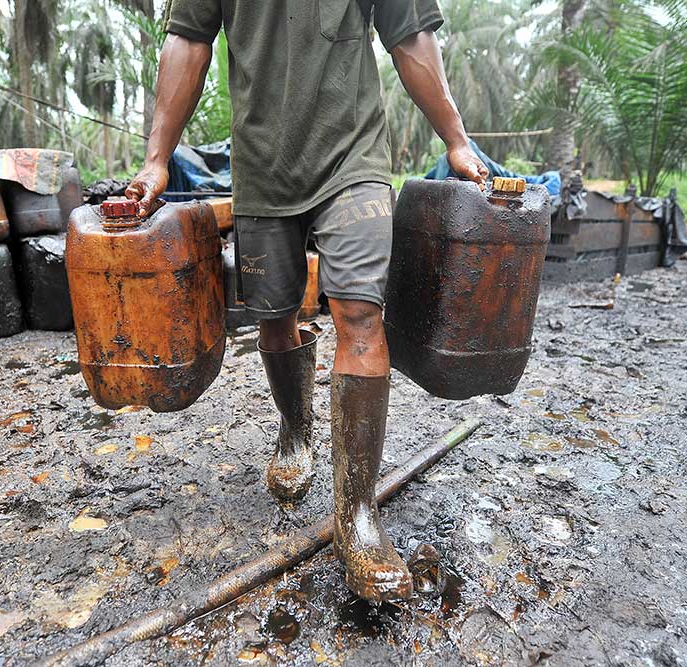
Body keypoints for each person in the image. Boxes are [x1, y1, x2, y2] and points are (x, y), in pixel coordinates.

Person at [126, 0, 487, 604]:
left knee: (360, 313)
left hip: (353, 159)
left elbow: (409, 35)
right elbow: (188, 40)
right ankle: (296, 430)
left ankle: (358, 516)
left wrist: (455, 138)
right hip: (263, 169)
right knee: (275, 315)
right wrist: (157, 158)